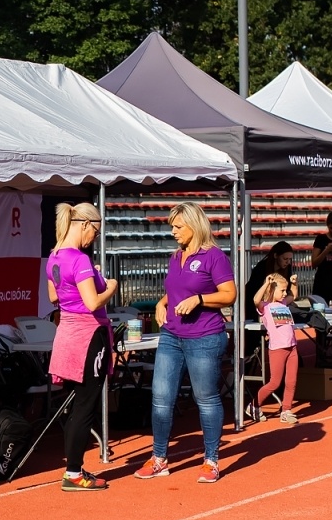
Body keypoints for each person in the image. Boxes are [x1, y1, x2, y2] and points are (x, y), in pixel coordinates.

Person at [134, 202, 235, 483]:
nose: (173, 231)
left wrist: (200, 299)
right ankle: (159, 458)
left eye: (178, 226)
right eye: (172, 226)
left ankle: (211, 460)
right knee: (161, 398)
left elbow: (229, 295)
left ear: (194, 224)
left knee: (206, 399)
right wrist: (162, 302)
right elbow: (175, 291)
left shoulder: (214, 256)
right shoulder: (175, 256)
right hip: (172, 336)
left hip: (204, 337)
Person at [46, 202, 114, 491]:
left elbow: (54, 298)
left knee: (76, 404)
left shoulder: (54, 257)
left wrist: (91, 277)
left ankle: (73, 468)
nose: (93, 239)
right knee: (86, 406)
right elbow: (92, 302)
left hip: (67, 335)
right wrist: (110, 285)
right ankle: (73, 472)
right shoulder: (80, 259)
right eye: (94, 233)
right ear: (85, 224)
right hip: (88, 335)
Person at [249, 274, 300, 423]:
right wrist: (266, 284)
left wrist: (294, 284)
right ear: (272, 290)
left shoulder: (283, 303)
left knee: (291, 381)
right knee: (275, 382)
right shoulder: (265, 307)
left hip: (292, 346)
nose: (285, 293)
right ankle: (254, 405)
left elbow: (294, 295)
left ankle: (286, 410)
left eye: (285, 290)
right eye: (282, 290)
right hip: (278, 348)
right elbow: (255, 300)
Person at [243, 241, 298, 320]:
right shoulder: (261, 268)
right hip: (251, 306)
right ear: (275, 255)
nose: (288, 262)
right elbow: (255, 295)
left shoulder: (287, 269)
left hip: (274, 306)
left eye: (290, 259)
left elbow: (292, 295)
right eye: (285, 259)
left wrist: (294, 283)